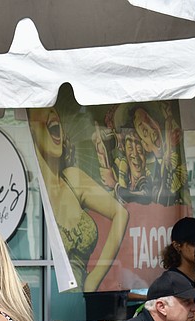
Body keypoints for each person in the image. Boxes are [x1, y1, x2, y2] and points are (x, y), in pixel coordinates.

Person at [28, 107, 129, 292]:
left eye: (53, 108)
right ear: (30, 127)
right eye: (41, 108)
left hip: (82, 297)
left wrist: (94, 279)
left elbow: (120, 213)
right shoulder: (31, 191)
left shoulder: (72, 179)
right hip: (44, 295)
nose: (53, 114)